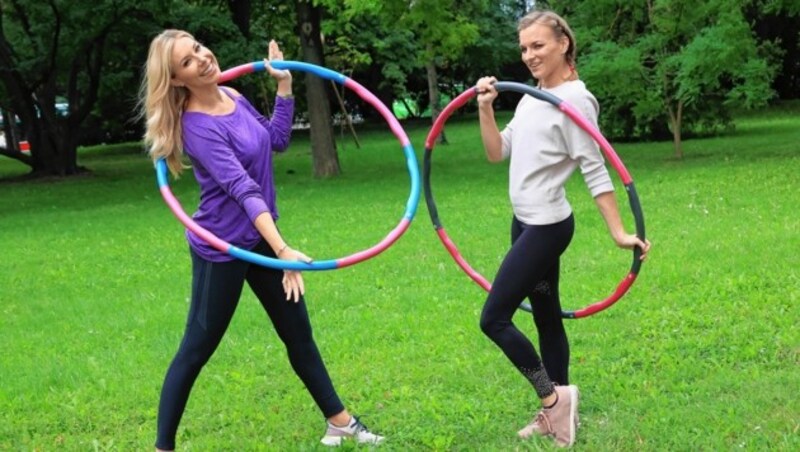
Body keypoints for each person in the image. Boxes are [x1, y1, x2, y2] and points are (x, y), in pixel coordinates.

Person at [139, 29, 384, 450]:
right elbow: (243, 189)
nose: (201, 58)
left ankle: (339, 422)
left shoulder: (233, 97)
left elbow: (276, 141)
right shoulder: (196, 127)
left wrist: (284, 87)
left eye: (197, 48)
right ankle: (162, 448)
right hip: (222, 247)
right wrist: (284, 250)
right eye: (186, 61)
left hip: (260, 238)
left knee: (298, 333)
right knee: (197, 348)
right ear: (177, 80)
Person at [474, 10, 651, 448]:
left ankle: (553, 400)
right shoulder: (535, 95)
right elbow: (499, 152)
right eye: (523, 48)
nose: (529, 55)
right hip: (525, 222)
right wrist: (485, 109)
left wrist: (618, 232)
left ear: (563, 44)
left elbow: (594, 169)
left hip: (547, 228)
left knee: (494, 318)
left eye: (538, 45)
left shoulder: (576, 99)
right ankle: (560, 414)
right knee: (548, 319)